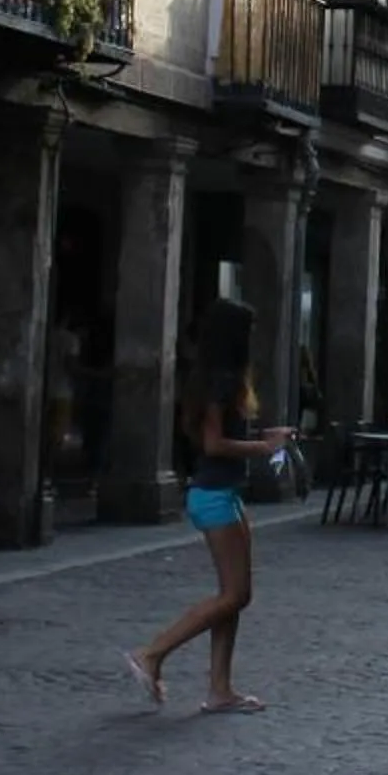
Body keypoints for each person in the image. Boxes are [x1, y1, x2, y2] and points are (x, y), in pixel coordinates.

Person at [125, 299, 290, 714]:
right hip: (213, 493)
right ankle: (153, 653)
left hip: (224, 492)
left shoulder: (219, 378)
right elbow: (213, 444)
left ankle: (220, 689)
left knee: (234, 595)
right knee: (234, 595)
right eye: (248, 331)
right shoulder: (219, 380)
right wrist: (265, 447)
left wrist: (264, 435)